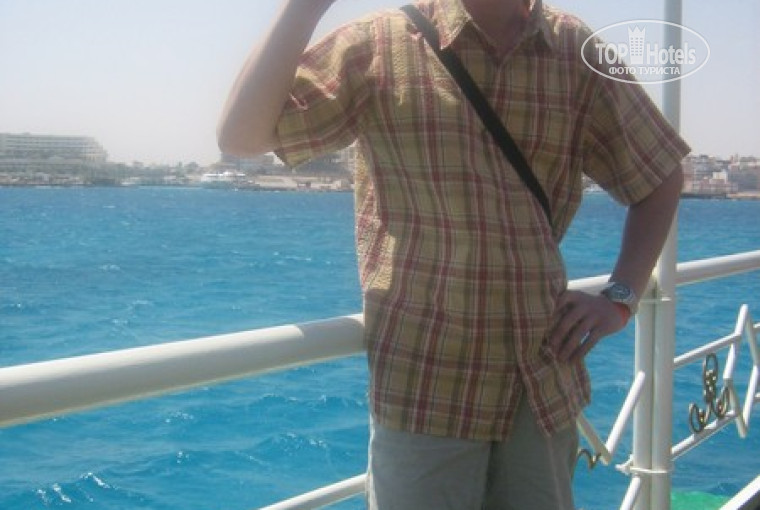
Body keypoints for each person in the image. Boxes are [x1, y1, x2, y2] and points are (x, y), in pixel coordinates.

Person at [217, 0, 689, 508]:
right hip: (427, 387)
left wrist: (621, 295)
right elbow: (242, 138)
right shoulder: (378, 45)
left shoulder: (572, 48)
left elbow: (659, 174)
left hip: (540, 384)